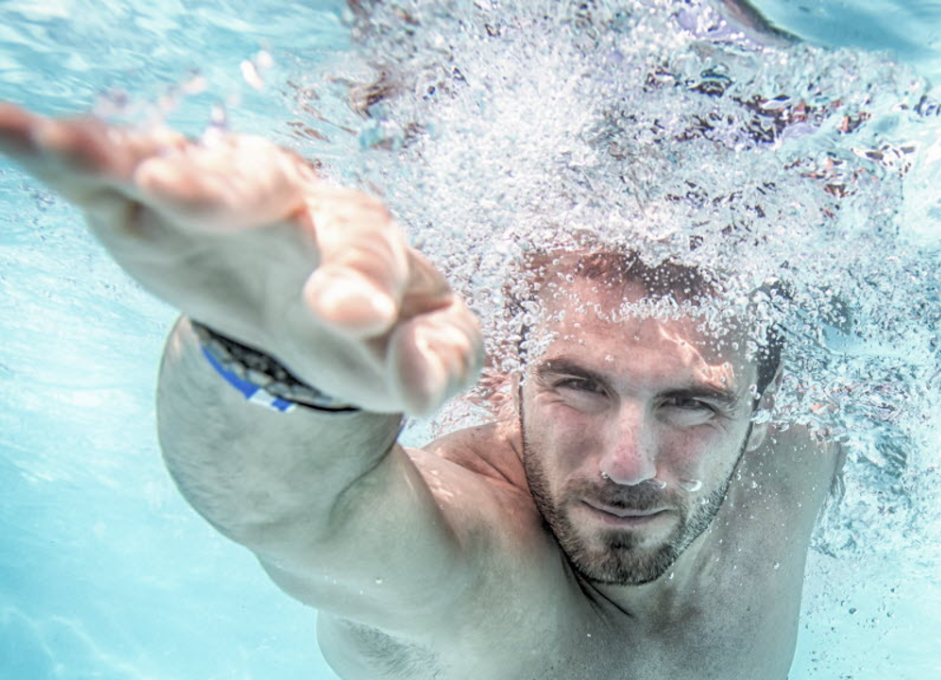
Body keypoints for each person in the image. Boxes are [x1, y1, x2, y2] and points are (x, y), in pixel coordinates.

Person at [0, 103, 842, 680]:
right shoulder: (483, 568)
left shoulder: (804, 437)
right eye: (578, 387)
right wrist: (271, 351)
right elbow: (299, 512)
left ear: (765, 405)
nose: (628, 464)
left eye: (691, 404)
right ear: (509, 370)